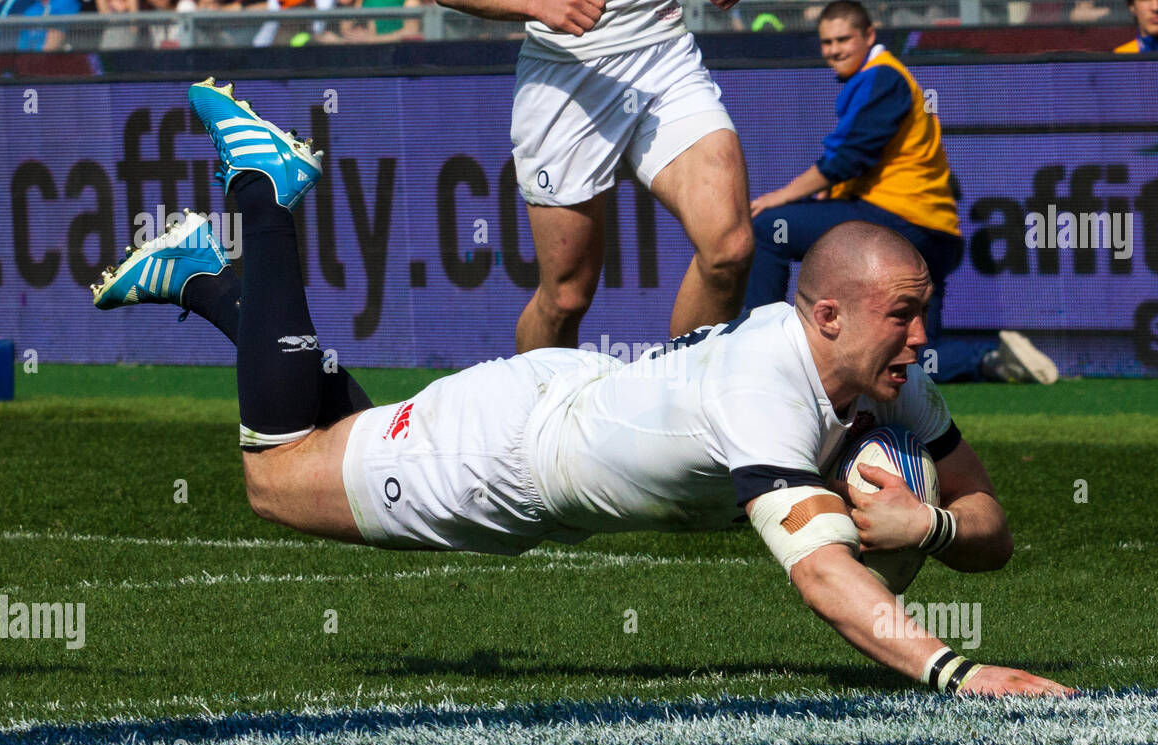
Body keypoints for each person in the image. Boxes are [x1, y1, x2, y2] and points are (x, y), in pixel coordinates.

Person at [90, 79, 1075, 699]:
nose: (920, 334)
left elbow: (988, 520)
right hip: (500, 459)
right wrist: (958, 671)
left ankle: (200, 281)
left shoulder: (889, 375)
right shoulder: (768, 387)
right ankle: (261, 195)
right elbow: (820, 575)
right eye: (901, 312)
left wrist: (930, 530)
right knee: (275, 475)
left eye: (922, 311)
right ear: (826, 316)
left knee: (335, 432)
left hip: (558, 411)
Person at [435, 0, 754, 352]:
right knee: (566, 297)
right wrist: (539, 4)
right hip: (567, 74)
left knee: (729, 249)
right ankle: (537, 414)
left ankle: (680, 401)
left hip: (665, 58)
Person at [745, 1, 1059, 385]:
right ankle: (990, 357)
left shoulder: (881, 76)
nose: (834, 49)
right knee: (918, 361)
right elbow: (864, 159)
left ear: (870, 36)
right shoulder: (886, 77)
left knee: (767, 227)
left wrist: (784, 196)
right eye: (826, 42)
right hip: (935, 238)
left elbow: (846, 159)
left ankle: (762, 354)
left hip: (899, 223)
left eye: (844, 39)